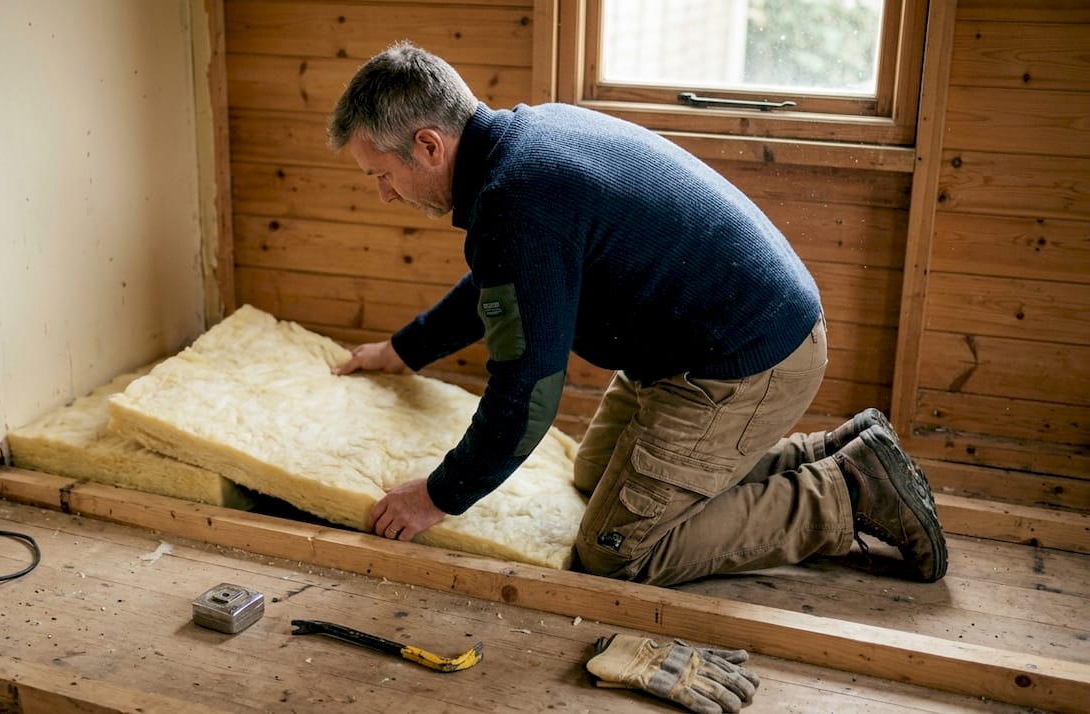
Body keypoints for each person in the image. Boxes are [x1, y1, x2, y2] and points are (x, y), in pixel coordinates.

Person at [328, 40, 947, 586]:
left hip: (744, 362)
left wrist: (436, 497)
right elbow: (504, 289)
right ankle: (834, 452)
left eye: (381, 174)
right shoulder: (527, 139)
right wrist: (402, 351)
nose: (384, 194)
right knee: (593, 476)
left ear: (429, 145)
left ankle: (848, 493)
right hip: (702, 343)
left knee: (618, 550)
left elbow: (529, 390)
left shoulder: (516, 201)